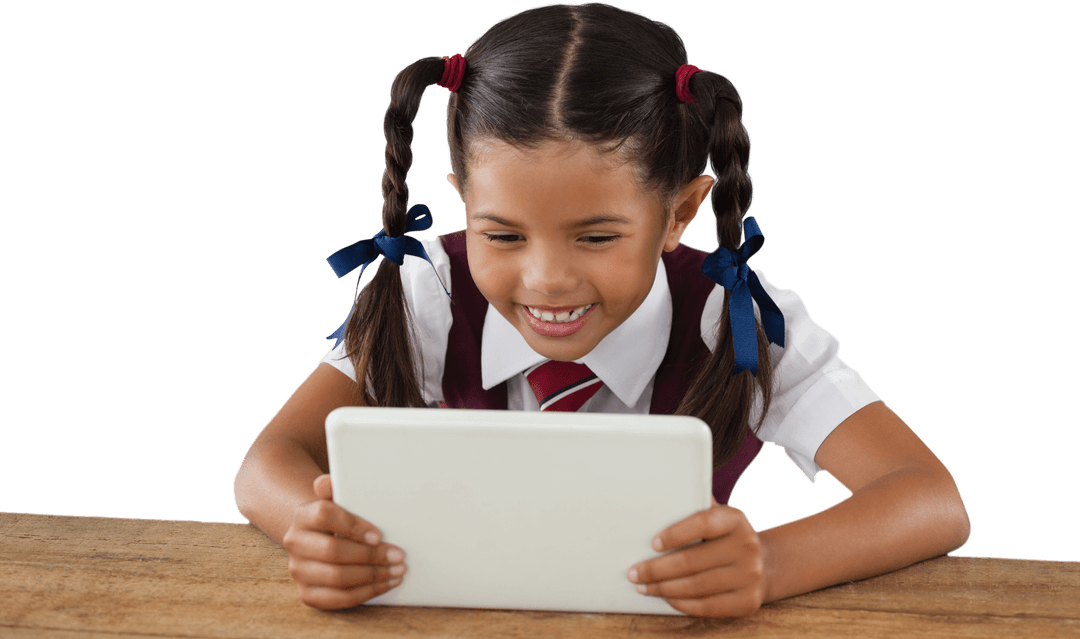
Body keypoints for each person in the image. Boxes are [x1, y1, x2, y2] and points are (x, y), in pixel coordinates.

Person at [233, 2, 970, 618]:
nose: (547, 279)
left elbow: (929, 497)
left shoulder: (737, 317)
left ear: (679, 211)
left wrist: (770, 564)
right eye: (503, 234)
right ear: (463, 200)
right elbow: (266, 464)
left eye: (596, 235)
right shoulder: (427, 290)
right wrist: (314, 529)